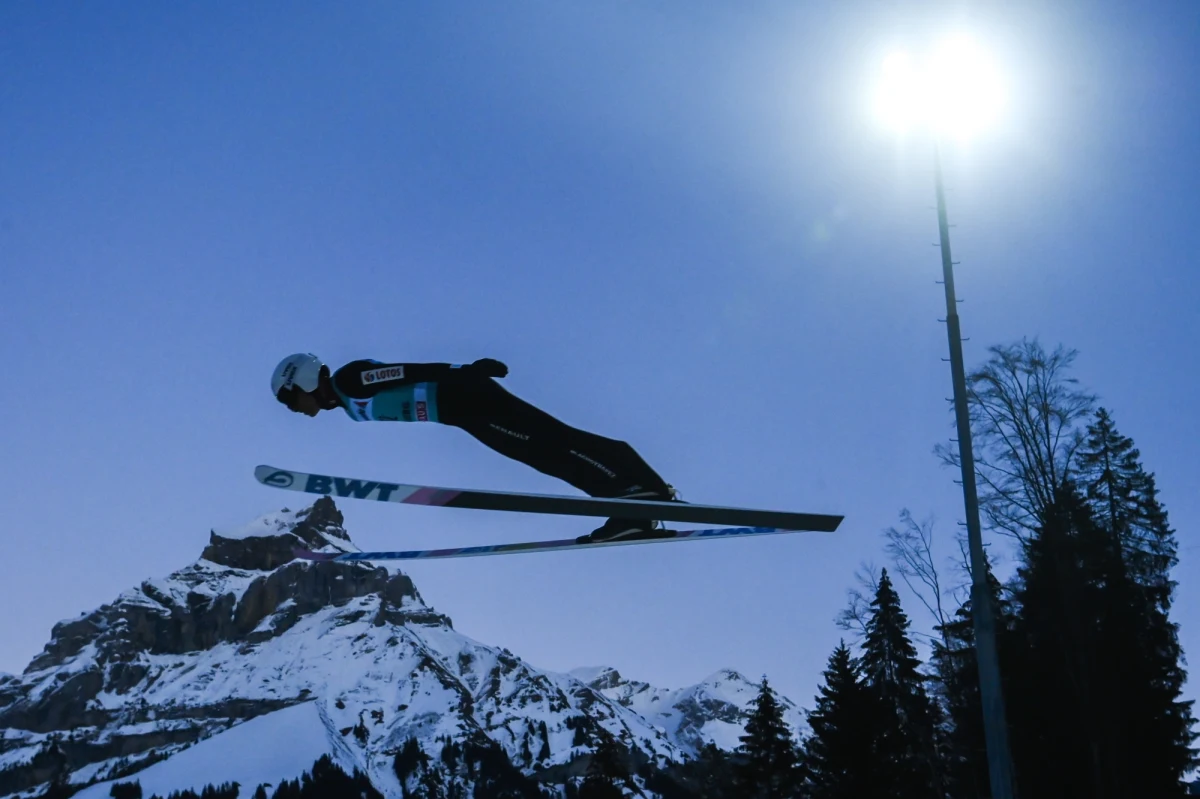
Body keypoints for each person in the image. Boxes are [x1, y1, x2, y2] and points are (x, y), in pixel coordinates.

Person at [269, 353, 680, 542]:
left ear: (303, 380)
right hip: (464, 413)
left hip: (469, 400)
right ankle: (631, 507)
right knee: (547, 453)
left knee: (551, 446)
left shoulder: (349, 380)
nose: (296, 410)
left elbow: (406, 371)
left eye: (291, 400)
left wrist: (465, 373)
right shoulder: (346, 402)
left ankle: (640, 491)